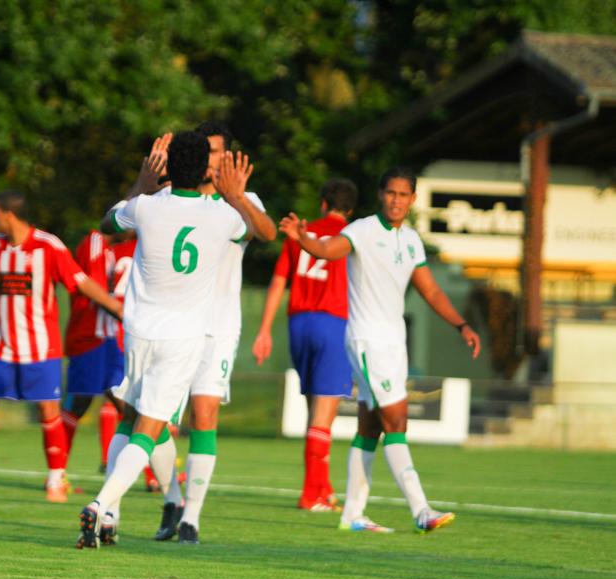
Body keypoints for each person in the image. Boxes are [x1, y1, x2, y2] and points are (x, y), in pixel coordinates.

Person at [279, 166, 481, 533]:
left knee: (370, 427)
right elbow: (327, 249)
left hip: (393, 343)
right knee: (397, 421)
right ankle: (421, 510)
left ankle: (353, 515)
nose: (396, 200)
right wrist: (302, 237)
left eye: (403, 195)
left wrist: (461, 325)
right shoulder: (362, 230)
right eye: (390, 193)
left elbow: (431, 290)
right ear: (380, 194)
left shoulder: (412, 241)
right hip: (366, 340)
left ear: (412, 199)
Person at [76, 131, 250, 549]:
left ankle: (123, 515)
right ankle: (102, 504)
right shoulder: (223, 214)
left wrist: (141, 183)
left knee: (134, 417)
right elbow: (260, 231)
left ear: (168, 165)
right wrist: (236, 196)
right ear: (206, 165)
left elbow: (106, 224)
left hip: (141, 329)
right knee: (149, 428)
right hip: (184, 335)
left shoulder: (147, 206)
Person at [0, 190, 122, 503]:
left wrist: (115, 306)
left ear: (9, 215)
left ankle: (56, 481)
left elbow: (79, 281)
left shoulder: (48, 246)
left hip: (41, 348)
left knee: (48, 410)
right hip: (1, 347)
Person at [152, 121, 276, 545]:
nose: (210, 158)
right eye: (204, 150)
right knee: (157, 421)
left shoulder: (243, 200)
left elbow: (268, 233)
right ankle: (173, 499)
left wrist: (236, 197)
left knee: (204, 416)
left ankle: (192, 519)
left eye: (218, 151)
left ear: (228, 157)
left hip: (218, 327)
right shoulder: (169, 196)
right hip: (172, 324)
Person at [252, 179, 357, 513]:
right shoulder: (353, 235)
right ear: (350, 210)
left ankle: (323, 487)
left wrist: (264, 330)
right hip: (333, 322)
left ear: (324, 203)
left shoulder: (302, 232)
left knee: (315, 408)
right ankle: (312, 494)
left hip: (298, 322)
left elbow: (279, 281)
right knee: (324, 414)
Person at [62, 228, 136, 473]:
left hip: (110, 338)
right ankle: (56, 473)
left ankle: (148, 472)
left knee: (125, 404)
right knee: (82, 402)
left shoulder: (114, 249)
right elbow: (91, 286)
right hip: (92, 338)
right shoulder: (95, 241)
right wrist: (119, 310)